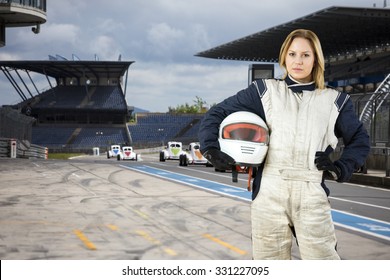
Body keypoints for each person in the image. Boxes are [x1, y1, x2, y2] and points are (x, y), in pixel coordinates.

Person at [198, 29, 370, 260]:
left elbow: (360, 140)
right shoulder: (265, 91)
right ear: (284, 58)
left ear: (316, 59)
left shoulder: (334, 101)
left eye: (305, 55)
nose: (298, 61)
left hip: (311, 191)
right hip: (269, 190)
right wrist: (210, 149)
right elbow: (216, 113)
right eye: (292, 54)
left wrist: (342, 167)